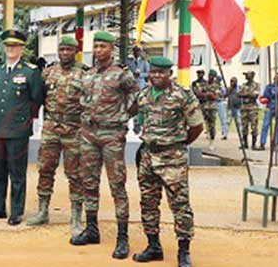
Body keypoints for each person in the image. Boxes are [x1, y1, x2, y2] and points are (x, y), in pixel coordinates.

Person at [129, 56, 202, 267]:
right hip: (148, 158)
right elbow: (133, 112)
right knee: (148, 203)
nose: (156, 76)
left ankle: (184, 252)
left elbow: (196, 127)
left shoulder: (183, 95)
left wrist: (178, 144)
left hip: (172, 159)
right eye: (153, 72)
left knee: (180, 205)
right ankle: (153, 246)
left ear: (170, 74)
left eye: (161, 72)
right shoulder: (143, 95)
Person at [71, 31, 137, 259]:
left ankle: (122, 237)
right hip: (88, 134)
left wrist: (120, 118)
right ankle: (91, 229)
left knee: (117, 185)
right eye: (95, 46)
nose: (98, 50)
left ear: (111, 49)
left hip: (111, 135)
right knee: (88, 182)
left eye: (102, 46)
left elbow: (135, 100)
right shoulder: (87, 75)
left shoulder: (121, 74)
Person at [0, 29, 45, 226]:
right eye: (8, 46)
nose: (11, 49)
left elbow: (37, 99)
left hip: (18, 130)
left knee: (17, 173)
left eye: (15, 46)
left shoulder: (30, 72)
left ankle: (16, 211)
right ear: (4, 48)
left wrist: (27, 121)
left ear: (21, 48)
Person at [27, 35, 85, 235]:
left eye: (69, 50)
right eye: (62, 50)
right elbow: (38, 97)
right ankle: (43, 211)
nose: (65, 53)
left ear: (75, 52)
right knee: (45, 168)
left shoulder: (84, 74)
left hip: (74, 129)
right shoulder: (48, 72)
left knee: (75, 173)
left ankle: (76, 217)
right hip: (51, 127)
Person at [192, 69, 221, 149]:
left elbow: (215, 97)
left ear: (214, 77)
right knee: (201, 122)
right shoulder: (203, 84)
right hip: (203, 106)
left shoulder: (217, 85)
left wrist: (206, 95)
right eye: (209, 75)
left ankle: (212, 141)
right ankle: (206, 135)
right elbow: (198, 94)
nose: (210, 77)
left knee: (212, 124)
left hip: (212, 108)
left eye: (212, 76)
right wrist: (209, 94)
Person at [259, 73, 278, 151]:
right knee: (265, 125)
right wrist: (271, 94)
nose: (277, 79)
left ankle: (276, 143)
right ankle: (262, 143)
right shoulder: (269, 86)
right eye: (276, 78)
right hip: (270, 107)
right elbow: (265, 95)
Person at [239, 71, 261, 150]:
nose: (246, 76)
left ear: (252, 76)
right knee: (244, 126)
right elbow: (239, 94)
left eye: (247, 75)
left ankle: (254, 144)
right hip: (244, 107)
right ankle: (245, 144)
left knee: (254, 126)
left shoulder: (256, 85)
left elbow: (255, 95)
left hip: (253, 108)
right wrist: (247, 94)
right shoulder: (243, 85)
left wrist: (245, 94)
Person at [225, 76, 241, 143]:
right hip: (230, 107)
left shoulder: (239, 88)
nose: (232, 82)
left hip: (237, 107)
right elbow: (225, 95)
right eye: (231, 81)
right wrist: (230, 89)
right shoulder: (229, 89)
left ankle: (241, 135)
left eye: (233, 81)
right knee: (228, 121)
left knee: (239, 122)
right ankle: (225, 134)